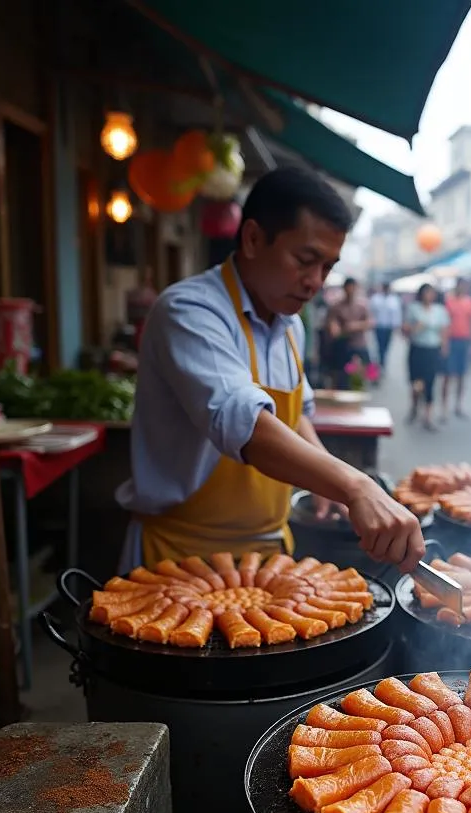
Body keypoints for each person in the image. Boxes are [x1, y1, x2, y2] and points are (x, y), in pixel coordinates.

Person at [116, 163, 424, 575]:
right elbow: (245, 422)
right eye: (305, 259)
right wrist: (356, 486)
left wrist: (325, 486)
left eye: (328, 267)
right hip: (180, 557)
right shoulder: (189, 312)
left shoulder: (290, 324)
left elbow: (293, 419)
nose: (315, 282)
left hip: (267, 560)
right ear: (254, 238)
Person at [404, 282, 450, 432]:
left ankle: (428, 417)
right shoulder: (413, 309)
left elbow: (444, 330)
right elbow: (404, 329)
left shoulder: (439, 310)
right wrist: (415, 327)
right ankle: (414, 406)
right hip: (418, 348)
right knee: (416, 381)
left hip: (432, 350)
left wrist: (444, 347)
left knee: (430, 381)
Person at [441, 278, 471, 421]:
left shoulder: (470, 303)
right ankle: (444, 407)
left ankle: (458, 405)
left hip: (465, 340)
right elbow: (444, 323)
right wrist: (444, 343)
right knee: (447, 375)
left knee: (462, 375)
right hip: (451, 340)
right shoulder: (449, 302)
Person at [326, 277, 374, 387]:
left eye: (353, 288)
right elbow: (331, 323)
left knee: (364, 375)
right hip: (342, 346)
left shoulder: (362, 306)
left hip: (359, 345)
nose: (350, 290)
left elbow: (370, 322)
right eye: (348, 288)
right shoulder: (337, 306)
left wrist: (355, 326)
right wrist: (335, 328)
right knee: (340, 377)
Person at [369, 282, 402, 372]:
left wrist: (396, 326)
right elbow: (371, 312)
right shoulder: (376, 298)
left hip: (389, 327)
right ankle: (380, 362)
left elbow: (397, 314)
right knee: (380, 346)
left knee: (386, 346)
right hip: (379, 326)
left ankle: (382, 361)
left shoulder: (394, 299)